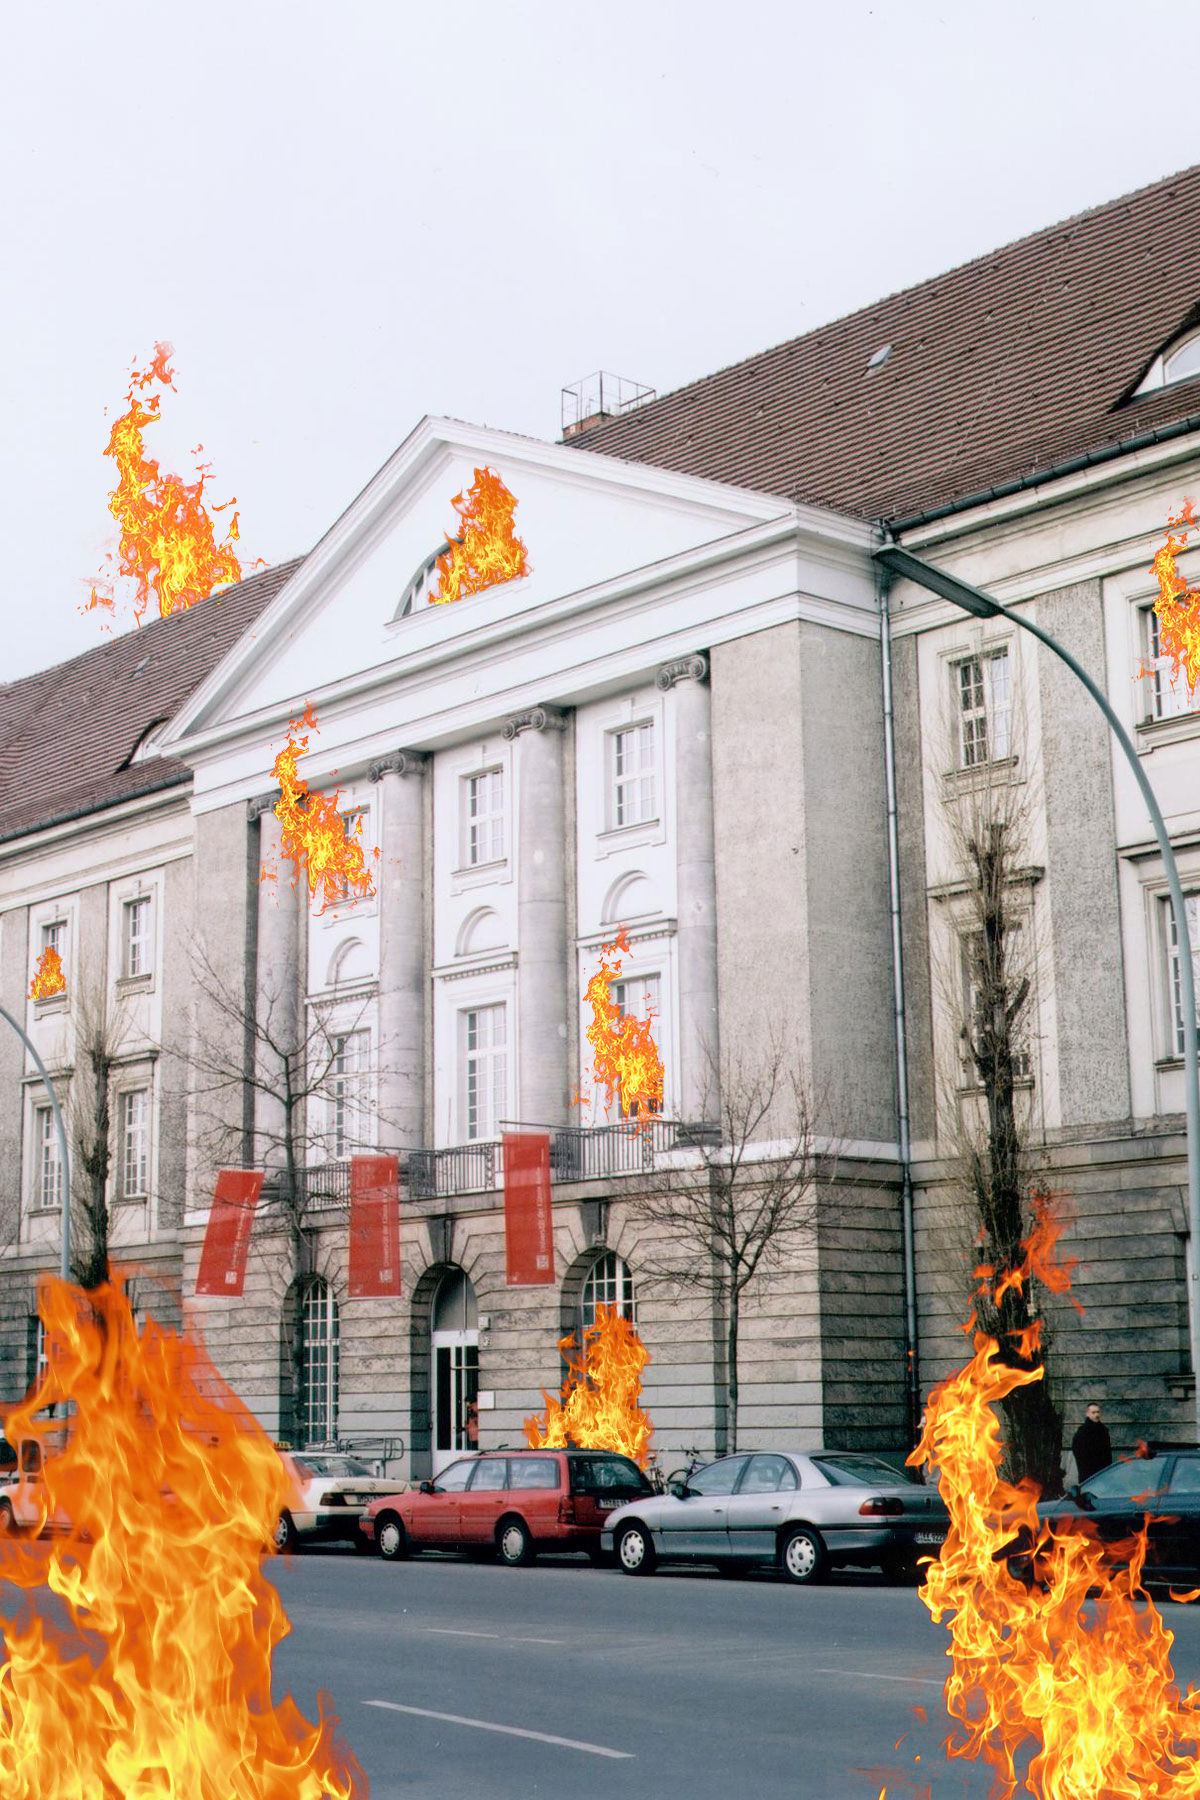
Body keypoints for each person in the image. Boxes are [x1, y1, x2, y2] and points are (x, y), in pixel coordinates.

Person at [1071, 1402, 1112, 1484]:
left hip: (1103, 1472)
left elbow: (1107, 1452)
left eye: (1098, 1412)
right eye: (1093, 1412)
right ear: (1087, 1414)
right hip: (1087, 1473)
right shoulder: (1082, 1432)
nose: (1096, 1415)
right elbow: (1078, 1452)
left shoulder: (1103, 1430)